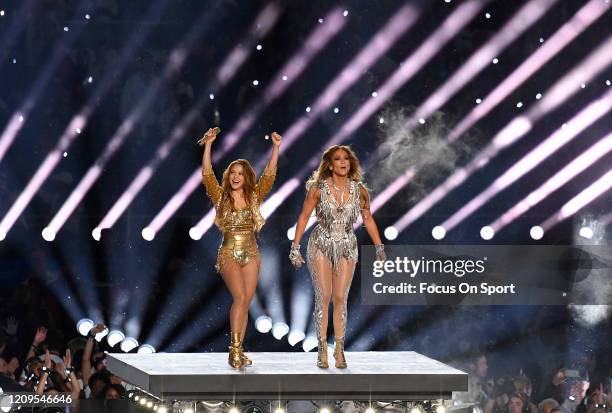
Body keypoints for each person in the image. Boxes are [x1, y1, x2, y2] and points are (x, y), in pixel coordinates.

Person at [289, 145, 385, 368]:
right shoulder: (317, 189)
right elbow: (303, 217)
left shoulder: (359, 190)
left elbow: (368, 219)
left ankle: (339, 349)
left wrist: (379, 247)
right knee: (323, 296)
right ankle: (322, 348)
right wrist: (295, 247)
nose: (343, 162)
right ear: (330, 165)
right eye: (337, 159)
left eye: (346, 159)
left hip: (347, 244)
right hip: (321, 242)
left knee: (340, 298)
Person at [200, 127, 281, 368]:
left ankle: (239, 349)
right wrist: (208, 146)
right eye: (232, 173)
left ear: (246, 177)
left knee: (246, 301)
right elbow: (207, 174)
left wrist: (276, 148)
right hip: (228, 253)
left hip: (252, 252)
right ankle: (233, 351)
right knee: (240, 296)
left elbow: (269, 175)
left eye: (240, 173)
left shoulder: (255, 196)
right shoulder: (220, 196)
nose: (236, 176)